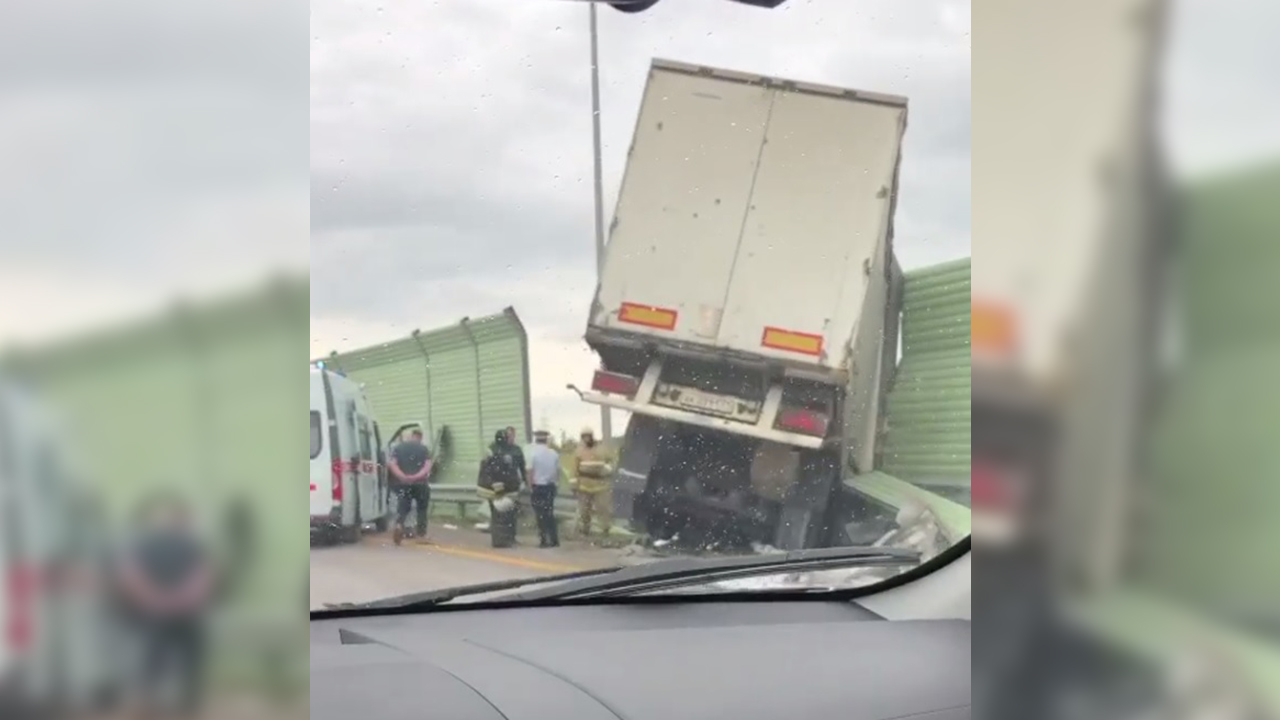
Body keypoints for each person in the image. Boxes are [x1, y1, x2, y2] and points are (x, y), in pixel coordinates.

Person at [114, 493, 217, 719]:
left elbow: (203, 574)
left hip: (170, 610)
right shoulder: (148, 544)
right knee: (162, 653)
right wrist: (168, 599)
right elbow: (131, 574)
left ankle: (176, 700)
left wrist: (161, 599)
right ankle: (156, 700)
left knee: (177, 653)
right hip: (168, 610)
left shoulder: (189, 545)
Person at [477, 429, 523, 548]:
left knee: (496, 515)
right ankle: (506, 539)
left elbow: (485, 469)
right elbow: (504, 472)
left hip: (490, 488)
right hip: (502, 489)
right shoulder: (503, 451)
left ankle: (498, 540)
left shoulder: (490, 449)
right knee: (507, 515)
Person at [389, 428, 433, 546]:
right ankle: (421, 535)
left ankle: (399, 525)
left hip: (403, 483)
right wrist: (416, 476)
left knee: (403, 507)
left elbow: (392, 464)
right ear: (420, 437)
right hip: (420, 483)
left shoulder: (399, 448)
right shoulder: (424, 449)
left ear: (410, 436)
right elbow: (427, 466)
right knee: (422, 509)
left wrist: (403, 476)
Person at [572, 427, 613, 538]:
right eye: (584, 437)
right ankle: (585, 529)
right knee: (584, 510)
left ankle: (605, 530)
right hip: (584, 485)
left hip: (601, 485)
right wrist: (574, 485)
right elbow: (575, 469)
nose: (586, 439)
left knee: (603, 509)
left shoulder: (602, 449)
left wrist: (606, 472)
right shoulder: (579, 451)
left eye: (588, 436)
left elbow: (610, 463)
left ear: (591, 436)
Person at [526, 429, 561, 548]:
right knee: (549, 513)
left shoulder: (533, 453)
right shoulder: (554, 453)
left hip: (538, 486)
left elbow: (530, 471)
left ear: (536, 439)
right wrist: (556, 484)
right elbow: (557, 471)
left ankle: (544, 540)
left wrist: (530, 486)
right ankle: (554, 539)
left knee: (540, 514)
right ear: (546, 440)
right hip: (550, 486)